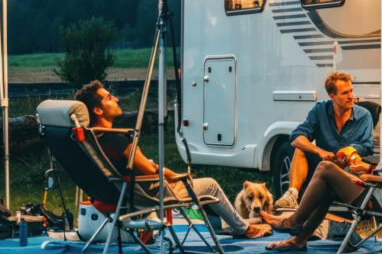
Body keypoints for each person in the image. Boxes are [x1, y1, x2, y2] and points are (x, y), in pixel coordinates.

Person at [74, 80, 271, 239]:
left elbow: (141, 167)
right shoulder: (116, 138)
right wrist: (173, 176)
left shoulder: (94, 139)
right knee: (210, 185)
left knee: (188, 180)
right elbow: (150, 171)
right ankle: (244, 229)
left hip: (125, 194)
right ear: (98, 110)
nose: (116, 98)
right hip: (150, 193)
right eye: (109, 97)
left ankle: (237, 224)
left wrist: (158, 169)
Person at [261, 86, 382, 251]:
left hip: (381, 197)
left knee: (325, 167)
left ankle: (293, 222)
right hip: (379, 191)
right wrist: (369, 168)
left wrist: (372, 177)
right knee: (327, 186)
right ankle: (299, 240)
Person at [274, 71, 374, 209]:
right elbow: (296, 137)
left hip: (347, 168)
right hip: (321, 165)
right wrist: (319, 151)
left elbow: (367, 146)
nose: (351, 96)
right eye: (345, 93)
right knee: (300, 148)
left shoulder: (364, 116)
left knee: (355, 159)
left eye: (351, 91)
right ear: (332, 96)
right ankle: (292, 195)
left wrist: (351, 150)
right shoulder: (320, 110)